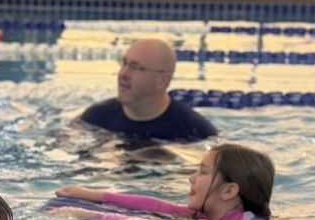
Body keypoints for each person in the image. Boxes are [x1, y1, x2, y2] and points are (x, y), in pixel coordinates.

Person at [56, 144, 274, 220]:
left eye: (203, 172)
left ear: (229, 191)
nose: (192, 177)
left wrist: (88, 216)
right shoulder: (217, 216)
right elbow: (159, 207)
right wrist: (88, 194)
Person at [78, 38, 218, 142]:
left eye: (135, 67)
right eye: (124, 63)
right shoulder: (96, 117)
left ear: (162, 80)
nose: (123, 74)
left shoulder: (195, 132)